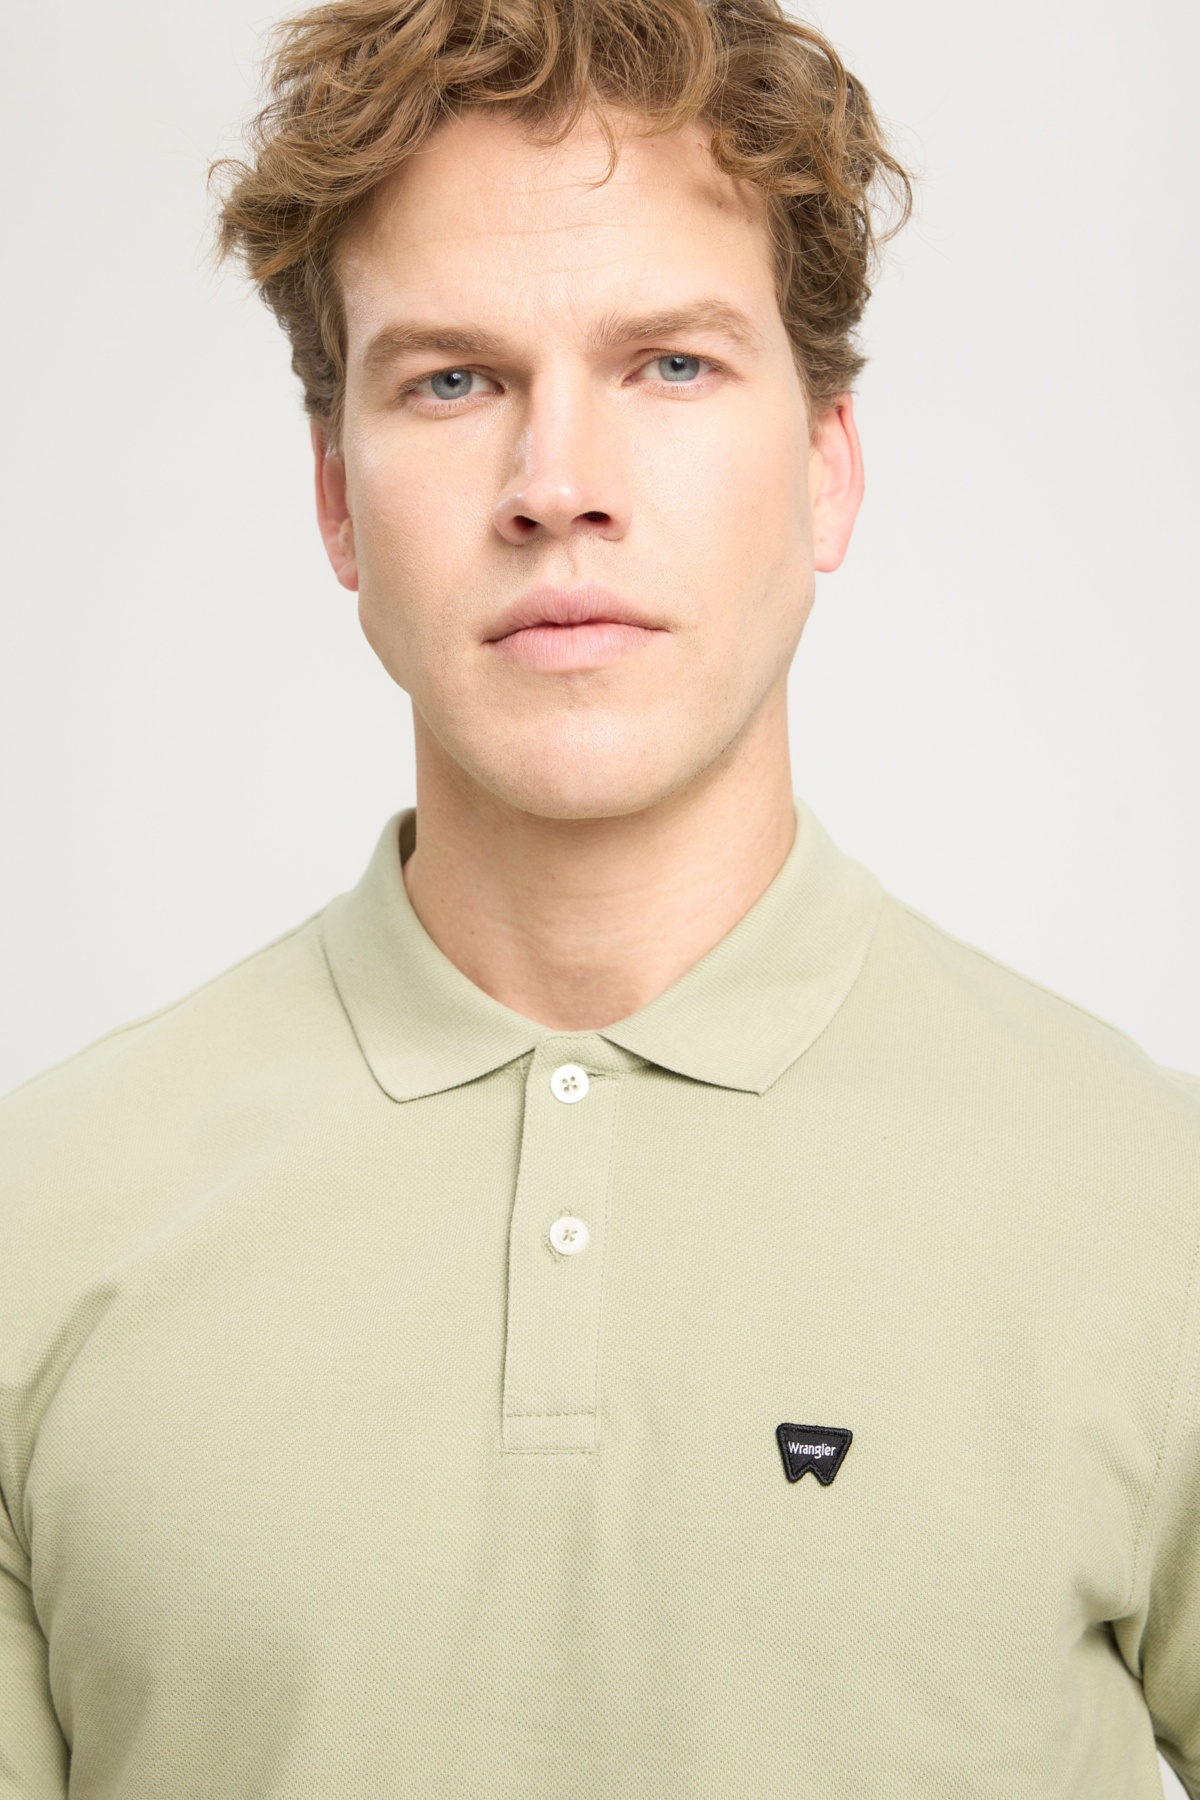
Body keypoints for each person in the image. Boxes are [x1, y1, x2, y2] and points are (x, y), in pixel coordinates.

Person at [1, 0, 1197, 1791]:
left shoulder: (1157, 1214)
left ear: (829, 469)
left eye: (672, 366)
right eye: (453, 381)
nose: (558, 488)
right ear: (337, 502)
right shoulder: (35, 1227)